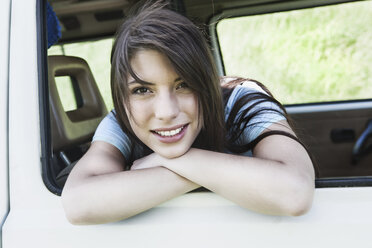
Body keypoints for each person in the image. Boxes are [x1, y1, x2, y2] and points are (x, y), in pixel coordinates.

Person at [61, 2, 315, 225]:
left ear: (206, 82)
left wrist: (169, 161)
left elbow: (294, 192)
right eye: (142, 90)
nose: (166, 111)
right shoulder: (122, 120)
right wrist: (215, 174)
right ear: (122, 95)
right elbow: (78, 204)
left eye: (184, 85)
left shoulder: (241, 99)